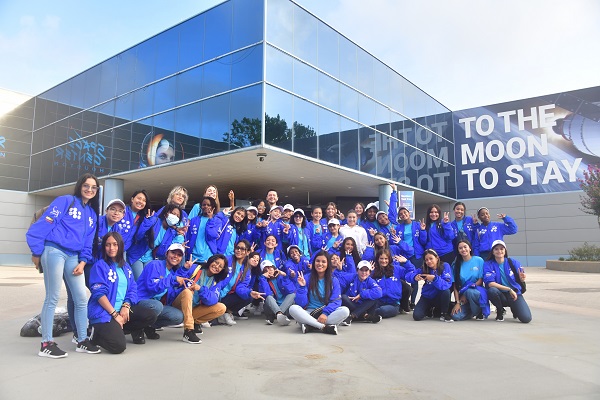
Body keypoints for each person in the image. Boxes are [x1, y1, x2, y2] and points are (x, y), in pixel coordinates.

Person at [26, 173, 100, 358]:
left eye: (93, 187)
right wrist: (36, 251)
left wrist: (83, 262)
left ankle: (82, 340)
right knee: (53, 297)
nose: (89, 189)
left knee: (81, 298)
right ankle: (46, 343)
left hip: (74, 257)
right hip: (54, 251)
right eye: (86, 185)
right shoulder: (66, 201)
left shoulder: (91, 214)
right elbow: (44, 223)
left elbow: (88, 242)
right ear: (79, 186)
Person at [87, 232, 157, 354]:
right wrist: (115, 314)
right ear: (104, 247)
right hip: (105, 313)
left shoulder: (125, 267)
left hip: (121, 310)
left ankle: (118, 330)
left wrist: (126, 305)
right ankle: (95, 334)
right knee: (118, 347)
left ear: (120, 246)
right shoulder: (99, 266)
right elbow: (99, 294)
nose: (111, 248)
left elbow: (132, 289)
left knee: (150, 315)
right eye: (108, 245)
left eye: (115, 244)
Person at [136, 243, 191, 340]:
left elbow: (175, 281)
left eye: (179, 255)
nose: (175, 256)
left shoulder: (171, 272)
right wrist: (172, 280)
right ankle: (137, 328)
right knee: (157, 306)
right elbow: (152, 286)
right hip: (139, 302)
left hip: (154, 305)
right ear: (166, 253)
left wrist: (185, 271)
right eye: (173, 253)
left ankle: (149, 326)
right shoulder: (154, 264)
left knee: (178, 317)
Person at [289, 250, 350, 335]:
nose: (320, 264)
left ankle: (310, 325)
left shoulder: (334, 280)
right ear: (314, 263)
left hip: (326, 314)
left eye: (323, 262)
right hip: (308, 314)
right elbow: (301, 303)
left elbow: (336, 301)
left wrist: (325, 313)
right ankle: (324, 327)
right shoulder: (306, 278)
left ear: (328, 264)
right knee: (293, 308)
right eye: (317, 261)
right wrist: (302, 287)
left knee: (345, 310)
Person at [172, 254, 229, 343]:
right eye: (216, 262)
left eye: (220, 266)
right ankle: (188, 330)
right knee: (187, 292)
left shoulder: (216, 281)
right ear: (211, 261)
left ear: (222, 270)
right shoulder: (195, 268)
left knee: (221, 308)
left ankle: (195, 322)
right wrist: (184, 268)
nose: (216, 266)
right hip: (178, 304)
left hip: (193, 308)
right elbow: (174, 279)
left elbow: (213, 300)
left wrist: (201, 289)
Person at [483, 240, 531, 323]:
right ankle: (500, 310)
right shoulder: (488, 264)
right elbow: (490, 283)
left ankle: (514, 308)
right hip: (500, 293)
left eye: (502, 249)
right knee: (492, 291)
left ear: (505, 251)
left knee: (526, 318)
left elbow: (521, 277)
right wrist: (509, 289)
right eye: (496, 249)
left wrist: (522, 279)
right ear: (493, 252)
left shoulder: (513, 262)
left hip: (514, 294)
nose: (499, 251)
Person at [219, 249, 265, 325]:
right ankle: (224, 313)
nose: (255, 260)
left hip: (237, 292)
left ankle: (228, 312)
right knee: (247, 295)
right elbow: (238, 287)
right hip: (226, 292)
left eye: (257, 260)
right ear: (248, 257)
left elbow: (244, 287)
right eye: (253, 258)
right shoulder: (240, 266)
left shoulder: (253, 273)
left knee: (249, 297)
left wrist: (249, 292)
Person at [407, 249, 454, 322]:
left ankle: (444, 314)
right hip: (427, 297)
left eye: (431, 258)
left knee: (446, 291)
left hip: (439, 296)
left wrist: (434, 279)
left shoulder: (445, 266)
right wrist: (414, 277)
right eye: (426, 260)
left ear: (437, 258)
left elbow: (447, 284)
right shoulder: (424, 268)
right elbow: (408, 275)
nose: (429, 261)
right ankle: (430, 310)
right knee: (417, 316)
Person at [450, 239, 489, 321]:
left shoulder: (479, 260)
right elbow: (455, 286)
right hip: (463, 298)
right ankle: (471, 311)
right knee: (455, 316)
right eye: (460, 248)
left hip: (476, 292)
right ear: (458, 251)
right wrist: (457, 302)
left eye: (465, 247)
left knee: (470, 292)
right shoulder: (455, 264)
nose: (463, 249)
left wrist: (466, 292)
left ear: (470, 248)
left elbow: (480, 280)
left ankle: (479, 312)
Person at [371, 249, 415, 318]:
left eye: (386, 258)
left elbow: (411, 273)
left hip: (393, 303)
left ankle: (369, 314)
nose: (383, 261)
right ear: (377, 259)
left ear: (389, 259)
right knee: (367, 307)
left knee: (383, 311)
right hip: (378, 301)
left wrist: (406, 262)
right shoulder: (373, 271)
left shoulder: (396, 269)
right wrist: (368, 272)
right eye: (381, 258)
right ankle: (369, 313)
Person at [338, 260, 383, 325]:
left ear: (370, 272)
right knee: (343, 297)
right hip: (351, 305)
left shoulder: (370, 281)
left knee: (375, 298)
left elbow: (379, 292)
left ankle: (352, 316)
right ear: (357, 271)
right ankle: (366, 316)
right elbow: (340, 285)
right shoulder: (351, 277)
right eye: (361, 270)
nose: (363, 272)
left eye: (366, 270)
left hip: (364, 307)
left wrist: (361, 295)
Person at [121, 190, 152, 280]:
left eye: (144, 200)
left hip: (125, 251)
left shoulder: (142, 217)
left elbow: (139, 236)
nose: (141, 202)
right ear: (132, 199)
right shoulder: (123, 211)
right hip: (114, 248)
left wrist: (147, 221)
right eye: (139, 198)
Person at [259, 260, 296, 325]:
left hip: (286, 307)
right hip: (272, 308)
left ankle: (278, 314)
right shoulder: (263, 281)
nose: (269, 270)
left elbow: (291, 290)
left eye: (270, 267)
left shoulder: (281, 278)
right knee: (269, 297)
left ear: (274, 268)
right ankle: (279, 314)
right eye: (266, 270)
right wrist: (263, 278)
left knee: (292, 295)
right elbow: (267, 294)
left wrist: (285, 276)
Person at [185, 196, 221, 264]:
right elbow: (188, 237)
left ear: (213, 207)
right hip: (193, 258)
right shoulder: (194, 220)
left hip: (208, 257)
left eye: (209, 205)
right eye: (204, 205)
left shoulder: (217, 221)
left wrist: (210, 220)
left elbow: (212, 235)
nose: (206, 206)